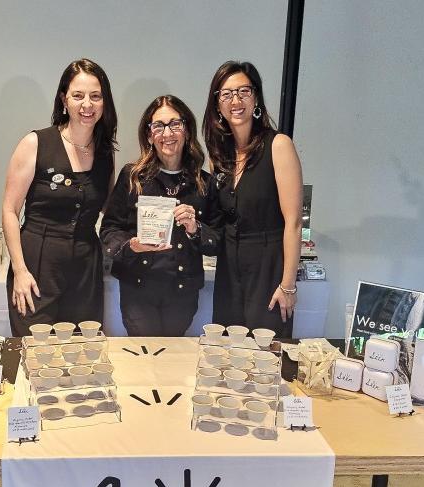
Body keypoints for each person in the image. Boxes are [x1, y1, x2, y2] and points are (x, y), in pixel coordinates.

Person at [2, 59, 117, 336]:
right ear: (64, 100)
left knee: (80, 353)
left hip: (86, 270)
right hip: (37, 266)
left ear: (104, 102)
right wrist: (19, 270)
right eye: (78, 96)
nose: (87, 105)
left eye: (95, 96)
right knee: (34, 351)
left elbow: (110, 208)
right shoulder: (36, 143)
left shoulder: (104, 152)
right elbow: (9, 209)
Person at [100, 96, 220, 336]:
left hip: (182, 290)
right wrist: (131, 245)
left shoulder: (204, 183)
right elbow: (109, 229)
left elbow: (218, 240)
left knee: (173, 358)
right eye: (159, 126)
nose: (167, 133)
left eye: (175, 124)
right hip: (138, 288)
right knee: (144, 358)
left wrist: (196, 228)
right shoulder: (133, 176)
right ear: (149, 134)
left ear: (187, 130)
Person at [203, 61, 303, 337]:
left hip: (268, 268)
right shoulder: (219, 156)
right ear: (218, 104)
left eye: (243, 91)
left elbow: (293, 222)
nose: (235, 100)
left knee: (264, 359)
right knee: (225, 357)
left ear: (256, 97)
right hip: (229, 271)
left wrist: (288, 285)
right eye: (226, 94)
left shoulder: (279, 145)